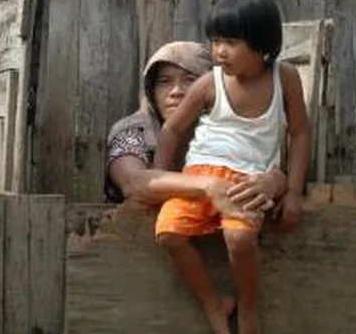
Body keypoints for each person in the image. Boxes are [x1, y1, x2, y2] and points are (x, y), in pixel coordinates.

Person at [154, 0, 310, 334]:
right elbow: (172, 130)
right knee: (168, 233)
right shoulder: (210, 83)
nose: (219, 51)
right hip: (201, 178)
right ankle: (215, 305)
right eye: (216, 41)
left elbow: (300, 132)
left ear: (261, 44)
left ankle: (250, 315)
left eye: (230, 42)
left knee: (240, 240)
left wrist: (293, 192)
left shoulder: (284, 78)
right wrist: (161, 179)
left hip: (249, 182)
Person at [105, 41, 289, 212]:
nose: (176, 91)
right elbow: (132, 183)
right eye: (164, 82)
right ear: (151, 90)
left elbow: (264, 167)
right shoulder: (133, 131)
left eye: (189, 79)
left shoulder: (229, 128)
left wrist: (274, 182)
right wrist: (208, 186)